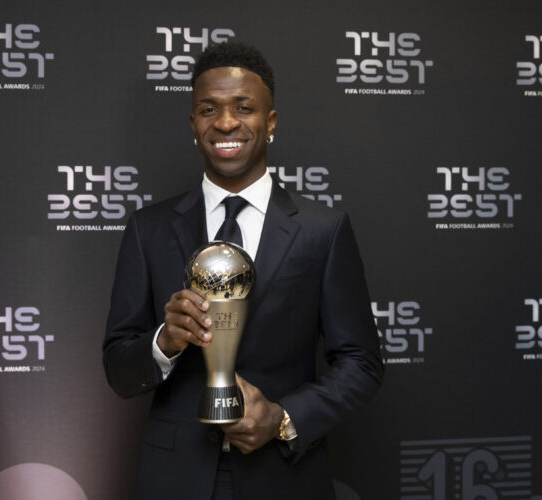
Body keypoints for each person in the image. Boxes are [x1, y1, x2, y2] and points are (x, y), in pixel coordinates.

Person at [103, 41, 383, 500]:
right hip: (175, 479)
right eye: (209, 109)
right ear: (194, 125)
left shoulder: (323, 230)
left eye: (244, 108)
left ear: (269, 122)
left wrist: (283, 419)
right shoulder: (147, 229)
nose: (226, 123)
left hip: (285, 475)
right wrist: (164, 343)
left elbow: (362, 362)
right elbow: (119, 369)